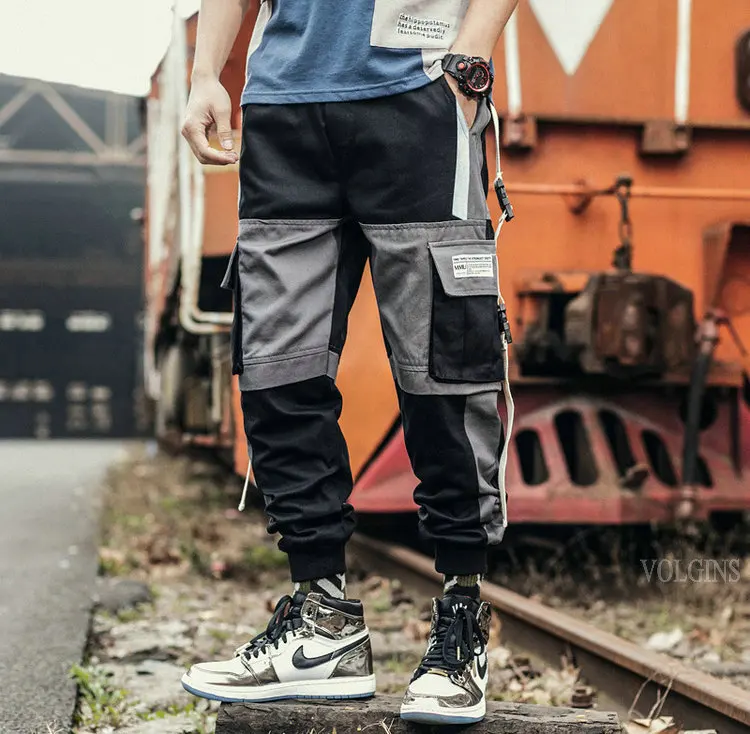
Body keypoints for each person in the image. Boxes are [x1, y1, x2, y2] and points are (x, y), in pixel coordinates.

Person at [180, 0, 518, 724]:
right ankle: (321, 623)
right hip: (282, 107)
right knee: (277, 366)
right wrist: (206, 73)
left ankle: (461, 623)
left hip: (417, 93)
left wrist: (469, 58)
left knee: (445, 368)